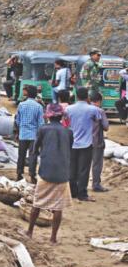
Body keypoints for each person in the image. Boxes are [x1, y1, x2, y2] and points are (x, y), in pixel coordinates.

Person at [24, 103, 73, 244]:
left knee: (37, 203)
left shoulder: (43, 129)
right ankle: (53, 238)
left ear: (48, 116)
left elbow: (34, 150)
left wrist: (31, 171)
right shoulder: (68, 131)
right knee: (58, 207)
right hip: (62, 173)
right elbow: (68, 149)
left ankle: (30, 231)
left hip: (45, 171)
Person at [66, 87, 102, 202]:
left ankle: (72, 192)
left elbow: (66, 122)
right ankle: (82, 194)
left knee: (72, 168)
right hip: (87, 143)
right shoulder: (93, 109)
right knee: (84, 170)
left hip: (73, 142)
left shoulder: (68, 109)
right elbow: (98, 121)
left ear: (76, 96)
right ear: (87, 97)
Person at [14, 85, 44, 182]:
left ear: (27, 93)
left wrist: (17, 131)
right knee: (33, 155)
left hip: (23, 133)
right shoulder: (39, 106)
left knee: (21, 155)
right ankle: (32, 175)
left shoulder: (21, 105)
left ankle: (19, 173)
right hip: (33, 135)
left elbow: (17, 120)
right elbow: (41, 123)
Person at [89, 91, 109, 193]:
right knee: (97, 164)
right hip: (97, 141)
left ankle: (80, 185)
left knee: (83, 164)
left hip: (83, 141)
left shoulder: (84, 110)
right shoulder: (100, 111)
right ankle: (96, 184)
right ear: (99, 101)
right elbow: (106, 127)